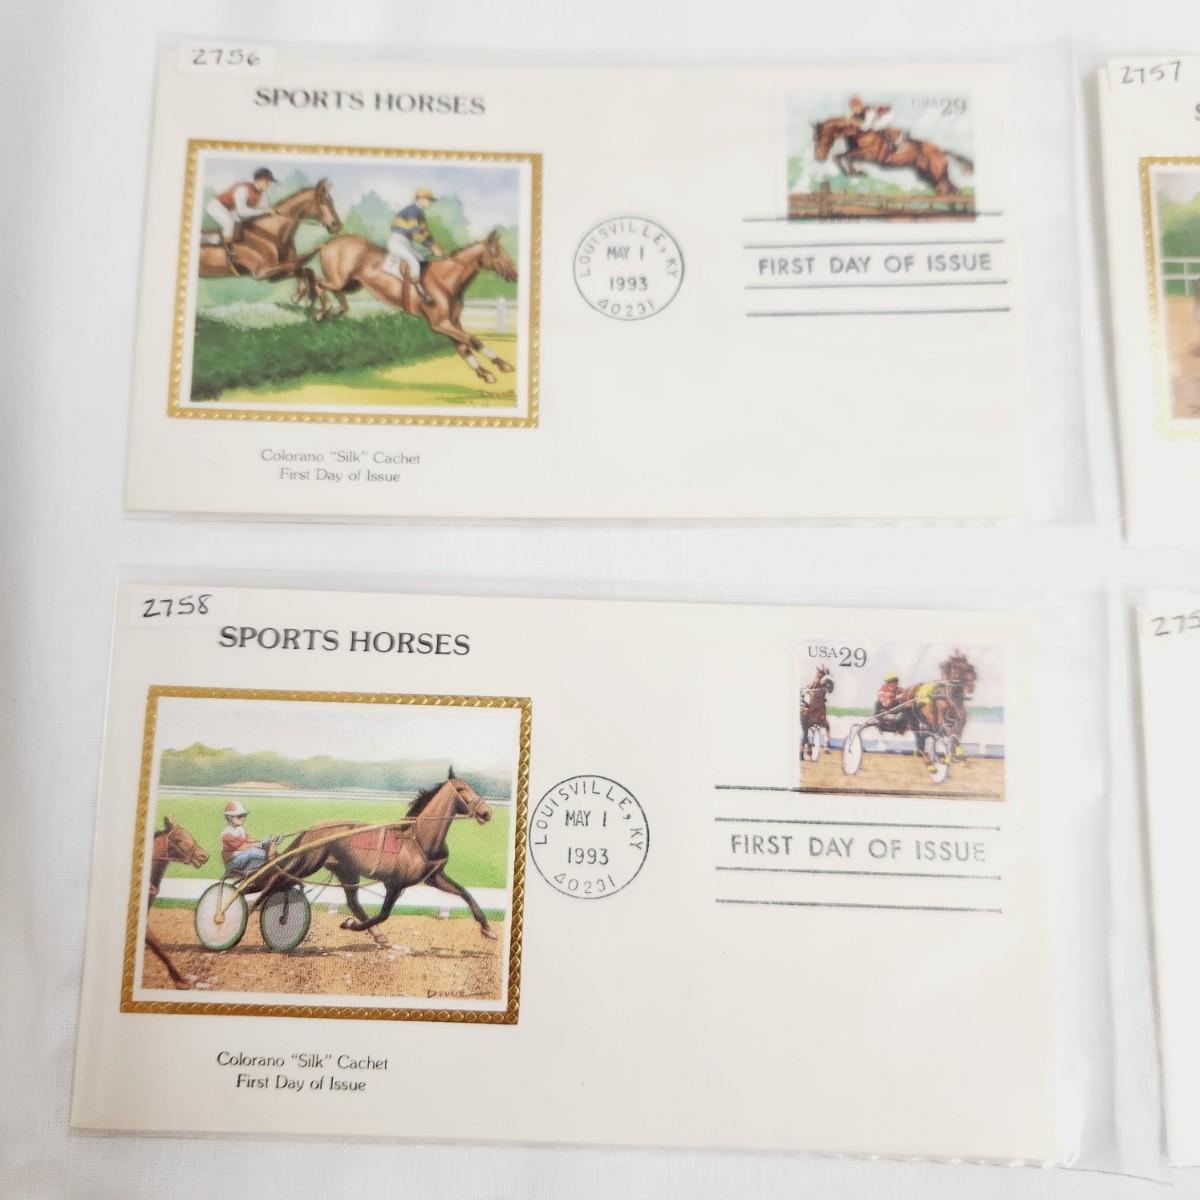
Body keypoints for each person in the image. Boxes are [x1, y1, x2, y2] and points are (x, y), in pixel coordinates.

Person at [381, 186, 443, 304]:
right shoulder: (413, 210)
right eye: (429, 200)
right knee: (414, 262)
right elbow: (414, 232)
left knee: (421, 258)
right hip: (397, 242)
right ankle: (422, 295)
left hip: (405, 244)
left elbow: (425, 232)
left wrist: (434, 245)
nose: (430, 203)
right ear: (420, 199)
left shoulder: (420, 213)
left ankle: (408, 287)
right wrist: (431, 246)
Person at [202, 167, 278, 248]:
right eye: (267, 181)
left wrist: (270, 211)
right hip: (216, 205)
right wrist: (264, 212)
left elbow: (265, 208)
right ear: (258, 180)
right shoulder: (243, 189)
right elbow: (242, 211)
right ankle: (227, 248)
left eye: (270, 182)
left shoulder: (261, 194)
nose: (269, 184)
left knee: (238, 224)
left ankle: (211, 239)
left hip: (229, 209)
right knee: (229, 223)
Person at [219, 800, 277, 874]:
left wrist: (263, 842)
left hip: (241, 857)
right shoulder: (227, 834)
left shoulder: (240, 829)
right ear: (229, 817)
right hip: (232, 862)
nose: (243, 818)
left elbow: (249, 839)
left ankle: (259, 867)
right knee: (252, 852)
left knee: (255, 850)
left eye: (244, 815)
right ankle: (270, 858)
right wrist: (260, 845)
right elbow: (242, 847)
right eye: (240, 816)